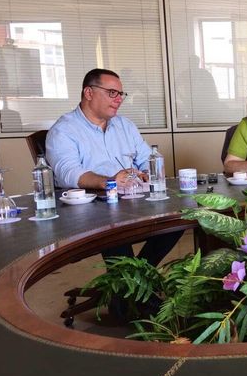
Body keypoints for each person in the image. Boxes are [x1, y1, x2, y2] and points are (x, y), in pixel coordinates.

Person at [46, 68, 181, 266]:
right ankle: (136, 286)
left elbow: (146, 158)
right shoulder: (64, 130)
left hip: (133, 200)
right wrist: (108, 182)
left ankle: (137, 279)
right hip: (93, 209)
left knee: (176, 220)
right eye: (112, 93)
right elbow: (68, 172)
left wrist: (145, 173)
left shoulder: (125, 126)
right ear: (89, 93)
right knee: (113, 230)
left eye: (121, 94)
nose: (119, 99)